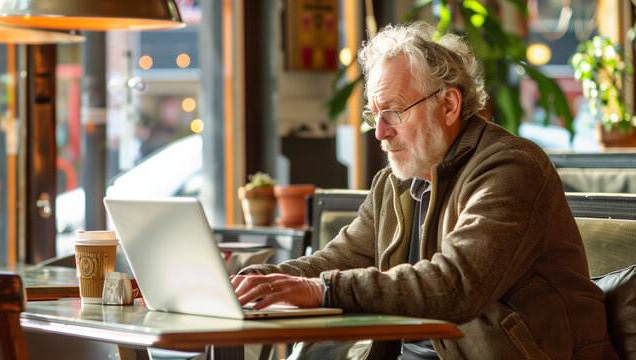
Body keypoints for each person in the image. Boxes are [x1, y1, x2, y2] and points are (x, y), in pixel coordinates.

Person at [231, 21, 617, 359]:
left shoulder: (511, 167)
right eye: (374, 116)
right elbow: (340, 258)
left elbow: (456, 284)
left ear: (448, 105)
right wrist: (259, 280)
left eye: (393, 113)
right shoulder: (396, 182)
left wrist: (319, 290)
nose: (380, 133)